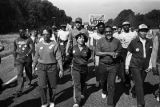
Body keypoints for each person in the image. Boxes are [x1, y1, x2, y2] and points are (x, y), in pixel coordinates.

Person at [32, 28, 63, 107]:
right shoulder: (39, 44)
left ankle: (52, 101)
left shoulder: (54, 44)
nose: (45, 36)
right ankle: (44, 103)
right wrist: (33, 67)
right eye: (44, 34)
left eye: (47, 34)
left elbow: (59, 57)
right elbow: (36, 56)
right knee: (42, 86)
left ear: (50, 35)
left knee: (52, 86)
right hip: (41, 67)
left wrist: (61, 69)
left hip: (52, 67)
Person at [125, 24, 153, 107]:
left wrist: (150, 66)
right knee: (139, 84)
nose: (144, 32)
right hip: (135, 65)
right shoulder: (133, 42)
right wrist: (127, 67)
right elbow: (129, 54)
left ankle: (134, 91)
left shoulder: (150, 41)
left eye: (145, 31)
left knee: (140, 82)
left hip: (145, 66)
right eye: (142, 31)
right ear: (138, 32)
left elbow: (151, 55)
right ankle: (141, 103)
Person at [96, 26, 122, 107]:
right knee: (102, 81)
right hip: (102, 65)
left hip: (113, 65)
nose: (108, 33)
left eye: (110, 31)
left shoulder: (117, 41)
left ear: (112, 32)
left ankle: (110, 103)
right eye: (106, 32)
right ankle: (104, 90)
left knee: (111, 84)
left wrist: (116, 54)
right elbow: (97, 52)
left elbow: (119, 51)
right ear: (104, 33)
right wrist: (109, 53)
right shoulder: (100, 41)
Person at [71, 33, 91, 107]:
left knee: (82, 83)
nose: (81, 39)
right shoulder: (73, 48)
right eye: (79, 38)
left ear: (85, 40)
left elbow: (88, 56)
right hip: (75, 69)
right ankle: (77, 102)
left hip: (84, 69)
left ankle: (82, 92)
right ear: (76, 39)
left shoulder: (87, 49)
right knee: (77, 84)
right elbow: (71, 56)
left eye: (83, 38)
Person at [13, 29, 34, 97]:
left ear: (24, 33)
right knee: (19, 74)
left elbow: (32, 48)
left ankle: (29, 81)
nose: (22, 33)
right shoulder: (16, 40)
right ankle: (19, 90)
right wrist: (14, 60)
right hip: (19, 60)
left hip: (27, 59)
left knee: (29, 71)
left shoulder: (29, 39)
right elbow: (14, 50)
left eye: (23, 32)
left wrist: (27, 54)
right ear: (19, 33)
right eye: (20, 32)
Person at [118, 21, 137, 93]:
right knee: (125, 67)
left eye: (127, 25)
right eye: (124, 25)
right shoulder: (120, 35)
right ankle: (127, 81)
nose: (126, 27)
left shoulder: (133, 34)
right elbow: (119, 44)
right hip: (124, 51)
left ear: (129, 26)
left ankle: (135, 81)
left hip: (133, 51)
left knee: (133, 66)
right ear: (122, 27)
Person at [90, 22, 105, 87]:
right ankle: (97, 80)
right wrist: (93, 55)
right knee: (97, 68)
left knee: (104, 68)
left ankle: (103, 80)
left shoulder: (106, 35)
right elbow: (93, 46)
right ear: (97, 28)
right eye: (100, 27)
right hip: (97, 54)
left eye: (102, 27)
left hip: (105, 54)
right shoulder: (94, 35)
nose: (101, 28)